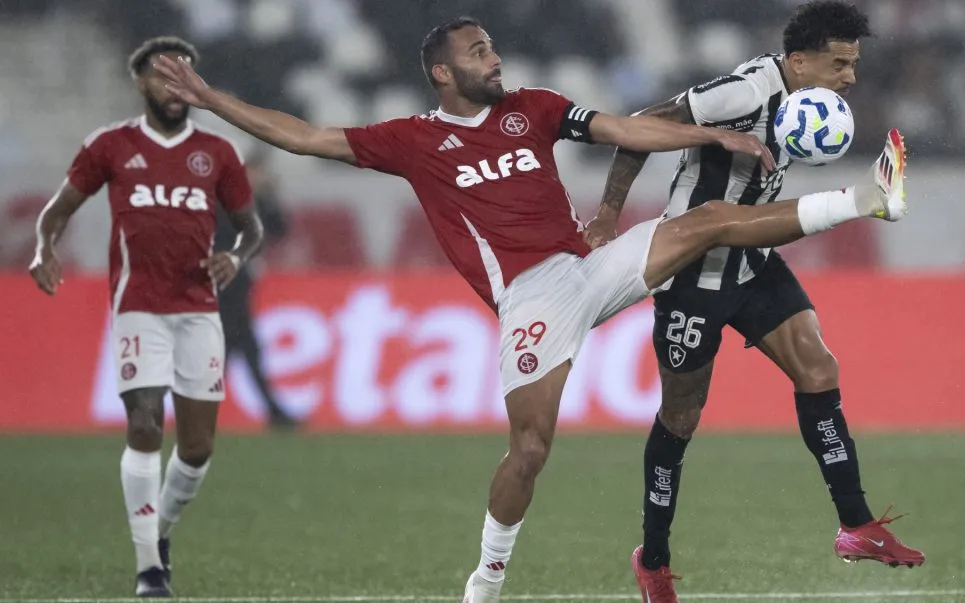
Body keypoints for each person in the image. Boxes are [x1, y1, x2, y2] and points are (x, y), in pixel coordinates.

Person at [151, 16, 907, 602]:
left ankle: (864, 198)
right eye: (479, 51)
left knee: (701, 224)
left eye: (494, 48)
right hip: (532, 299)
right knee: (531, 449)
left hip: (589, 267)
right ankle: (485, 581)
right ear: (443, 71)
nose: (496, 58)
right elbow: (307, 136)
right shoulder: (413, 140)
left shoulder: (532, 109)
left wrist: (707, 134)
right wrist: (212, 99)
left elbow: (623, 128)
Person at [586, 2, 925, 600]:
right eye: (839, 63)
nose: (850, 77)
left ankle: (855, 525)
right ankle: (654, 559)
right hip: (692, 269)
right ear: (798, 60)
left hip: (750, 259)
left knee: (819, 369)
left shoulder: (808, 104)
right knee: (681, 417)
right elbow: (637, 126)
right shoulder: (744, 91)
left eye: (854, 63)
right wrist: (609, 214)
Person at [28, 37, 264, 598]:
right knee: (143, 427)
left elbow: (251, 230)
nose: (174, 88)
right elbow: (57, 210)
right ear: (140, 82)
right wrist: (44, 248)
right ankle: (148, 571)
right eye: (163, 77)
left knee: (199, 447)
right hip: (139, 309)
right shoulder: (111, 146)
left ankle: (159, 533)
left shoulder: (218, 152)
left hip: (199, 309)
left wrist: (234, 255)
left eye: (183, 77)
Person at [213, 149, 295, 429]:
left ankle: (273, 411)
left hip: (238, 287)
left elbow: (280, 228)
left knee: (237, 350)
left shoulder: (252, 203)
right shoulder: (223, 204)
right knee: (238, 350)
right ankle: (274, 412)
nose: (258, 178)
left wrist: (267, 196)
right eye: (254, 173)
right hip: (224, 287)